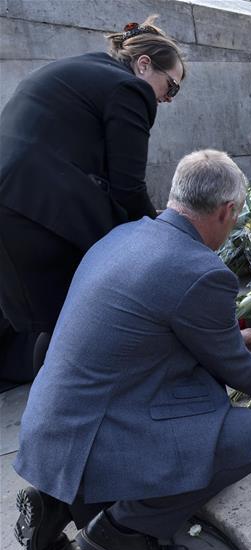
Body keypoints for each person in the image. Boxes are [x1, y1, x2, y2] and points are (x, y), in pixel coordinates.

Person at [12, 150, 251, 550]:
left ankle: (55, 503)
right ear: (226, 211)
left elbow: (150, 330)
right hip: (96, 435)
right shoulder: (200, 269)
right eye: (236, 215)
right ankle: (124, 530)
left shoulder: (123, 235)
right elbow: (245, 376)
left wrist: (230, 339)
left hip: (55, 428)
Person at [0, 16, 186, 388]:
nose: (168, 99)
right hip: (37, 210)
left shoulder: (87, 70)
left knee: (30, 314)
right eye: (171, 86)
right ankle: (62, 402)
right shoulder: (130, 89)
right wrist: (162, 238)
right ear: (144, 64)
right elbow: (128, 187)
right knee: (69, 319)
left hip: (16, 200)